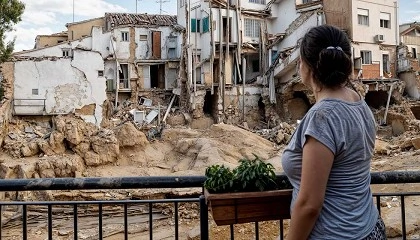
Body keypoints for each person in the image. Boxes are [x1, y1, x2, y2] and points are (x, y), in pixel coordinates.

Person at [281, 25, 386, 239]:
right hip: (370, 228)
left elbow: (310, 205)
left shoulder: (323, 117)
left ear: (308, 66)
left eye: (299, 60)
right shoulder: (359, 102)